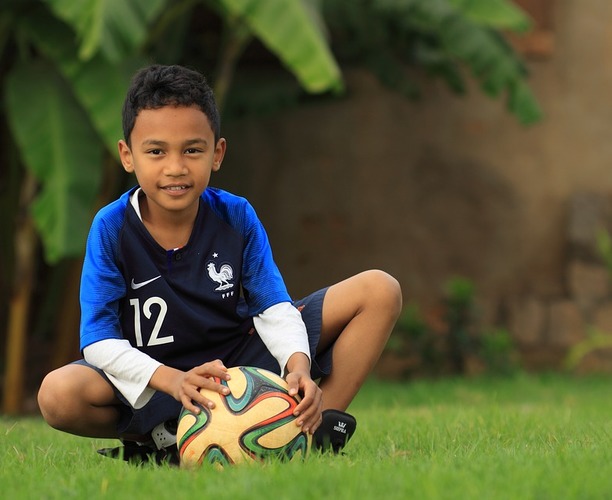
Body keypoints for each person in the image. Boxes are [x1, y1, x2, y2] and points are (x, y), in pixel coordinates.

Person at [37, 64, 402, 464]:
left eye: (192, 150)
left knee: (379, 290)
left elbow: (273, 306)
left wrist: (297, 365)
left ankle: (305, 432)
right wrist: (174, 380)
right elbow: (99, 340)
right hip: (156, 377)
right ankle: (163, 442)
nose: (175, 167)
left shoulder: (235, 215)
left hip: (238, 362)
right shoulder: (111, 227)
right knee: (57, 394)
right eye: (156, 151)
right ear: (127, 156)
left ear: (217, 153)